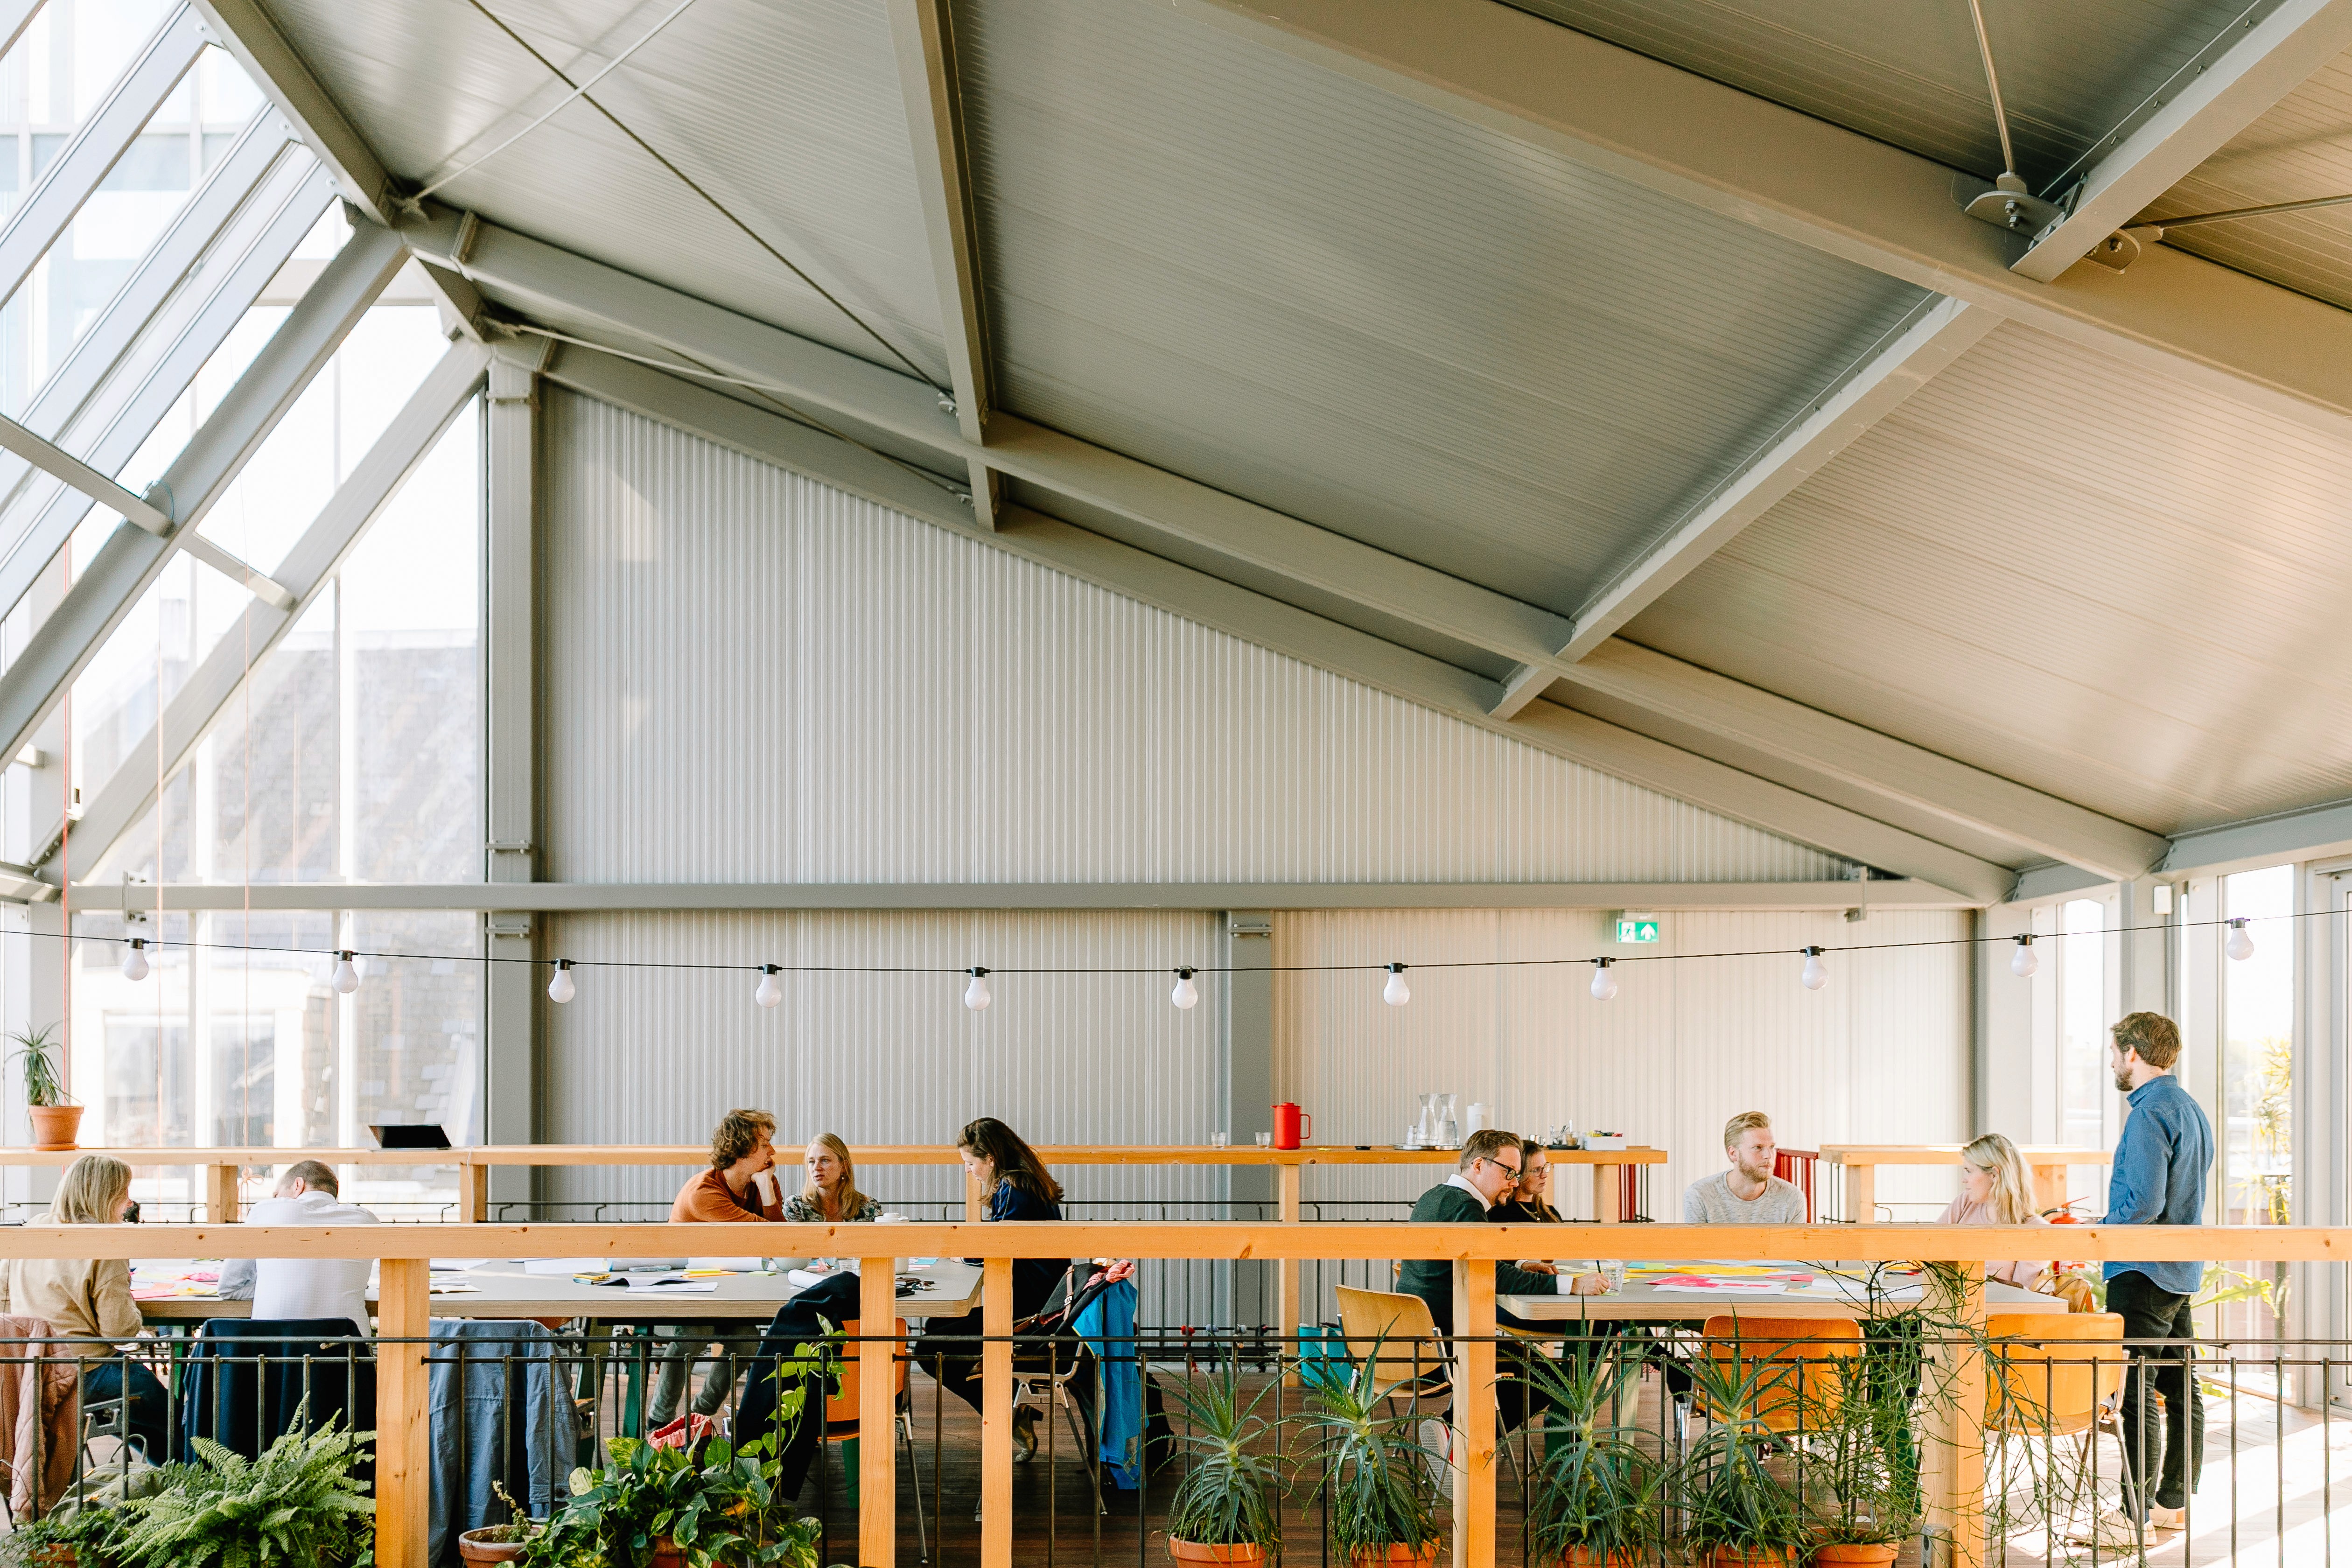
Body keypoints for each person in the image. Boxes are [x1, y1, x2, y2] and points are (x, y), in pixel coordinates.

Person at [2096, 1011, 2213, 1535]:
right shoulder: (2189, 1108)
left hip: (2142, 1266)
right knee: (2179, 1383)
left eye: (2117, 1053)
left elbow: (2143, 1202)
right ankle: (2170, 1504)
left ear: (2133, 1054)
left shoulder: (2148, 1114)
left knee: (2135, 1388)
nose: (2115, 1062)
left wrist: (2099, 1229)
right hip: (2180, 1267)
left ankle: (2131, 1514)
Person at [0, 1156, 169, 1459]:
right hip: (86, 1369)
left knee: (140, 1415)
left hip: (33, 1369)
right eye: (125, 1192)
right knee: (178, 1419)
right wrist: (133, 1310)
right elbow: (119, 1332)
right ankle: (200, 1484)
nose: (129, 1202)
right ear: (107, 1196)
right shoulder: (105, 1242)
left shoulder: (34, 1227)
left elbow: (5, 1295)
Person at [916, 1118, 1064, 1459]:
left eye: (971, 1163)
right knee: (937, 1327)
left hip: (1030, 1311)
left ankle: (1006, 1413)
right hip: (1038, 1299)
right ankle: (1012, 1402)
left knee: (928, 1347)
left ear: (991, 1159)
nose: (969, 1171)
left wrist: (962, 1251)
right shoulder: (1024, 1183)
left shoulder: (1015, 1189)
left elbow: (994, 1243)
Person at [652, 1110, 784, 1430]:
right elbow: (771, 1238)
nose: (773, 1152)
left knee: (750, 1344)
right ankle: (658, 1421)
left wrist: (767, 1190)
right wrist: (768, 1201)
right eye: (764, 1143)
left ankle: (700, 1415)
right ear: (741, 1147)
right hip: (678, 1295)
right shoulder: (704, 1193)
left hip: (724, 1292)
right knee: (696, 1333)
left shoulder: (761, 1183)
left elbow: (781, 1242)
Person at [217, 1160, 378, 1334]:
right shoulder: (366, 1220)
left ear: (298, 1185)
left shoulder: (265, 1211)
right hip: (347, 1354)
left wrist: (277, 1287)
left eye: (277, 1195)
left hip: (276, 1353)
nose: (275, 1200)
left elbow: (229, 1287)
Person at [1935, 1134, 2052, 1292]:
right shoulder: (1965, 1203)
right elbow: (1931, 1248)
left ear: (1994, 1175)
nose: (1964, 1180)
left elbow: (2020, 1297)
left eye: (1969, 1171)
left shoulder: (2037, 1231)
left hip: (1995, 1312)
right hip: (1947, 1303)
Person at [1682, 1111, 1807, 1224]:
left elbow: (1794, 1250)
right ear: (1733, 1154)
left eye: (1771, 1147)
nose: (1768, 1156)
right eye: (1758, 1148)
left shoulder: (1792, 1198)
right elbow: (1698, 1249)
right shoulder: (1700, 1195)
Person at [783, 1134, 882, 1224]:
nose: (817, 1168)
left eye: (825, 1160)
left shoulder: (869, 1207)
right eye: (812, 1162)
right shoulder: (795, 1206)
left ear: (844, 1166)